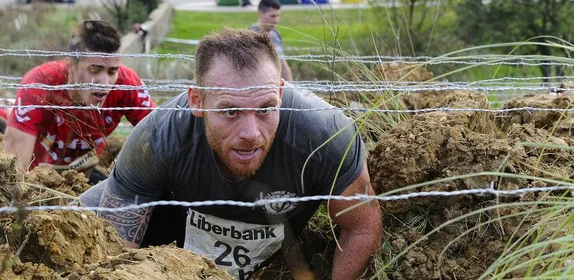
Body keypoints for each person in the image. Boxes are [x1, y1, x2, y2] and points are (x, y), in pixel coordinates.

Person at [81, 28, 382, 280]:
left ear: (280, 92)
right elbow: (116, 252)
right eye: (230, 110)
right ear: (197, 101)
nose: (251, 133)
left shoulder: (324, 135)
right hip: (162, 236)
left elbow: (361, 227)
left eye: (265, 108)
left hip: (257, 247)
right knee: (69, 230)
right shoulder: (158, 138)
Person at [1, 20, 156, 179]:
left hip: (78, 174)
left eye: (112, 71)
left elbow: (162, 134)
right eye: (94, 70)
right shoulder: (40, 85)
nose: (104, 83)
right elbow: (15, 180)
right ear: (70, 65)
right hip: (37, 174)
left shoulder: (127, 84)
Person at [249, 0, 293, 81]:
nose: (276, 20)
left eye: (278, 16)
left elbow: (283, 63)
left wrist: (292, 87)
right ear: (260, 13)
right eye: (272, 16)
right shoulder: (252, 36)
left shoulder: (276, 34)